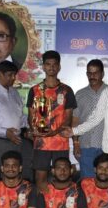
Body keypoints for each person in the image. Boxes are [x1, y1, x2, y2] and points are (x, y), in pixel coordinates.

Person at [27, 50, 77, 192]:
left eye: (54, 64)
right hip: (41, 143)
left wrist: (54, 132)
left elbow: (68, 118)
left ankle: (59, 204)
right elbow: (31, 116)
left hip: (60, 143)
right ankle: (43, 204)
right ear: (43, 67)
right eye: (48, 64)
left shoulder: (66, 90)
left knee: (62, 178)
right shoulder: (35, 90)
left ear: (59, 67)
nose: (51, 67)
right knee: (40, 178)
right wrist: (34, 129)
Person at [73, 59, 107, 178]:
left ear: (102, 74)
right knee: (87, 182)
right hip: (86, 146)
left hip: (107, 146)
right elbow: (75, 121)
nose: (92, 76)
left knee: (106, 182)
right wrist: (76, 143)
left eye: (96, 73)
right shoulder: (80, 94)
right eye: (90, 73)